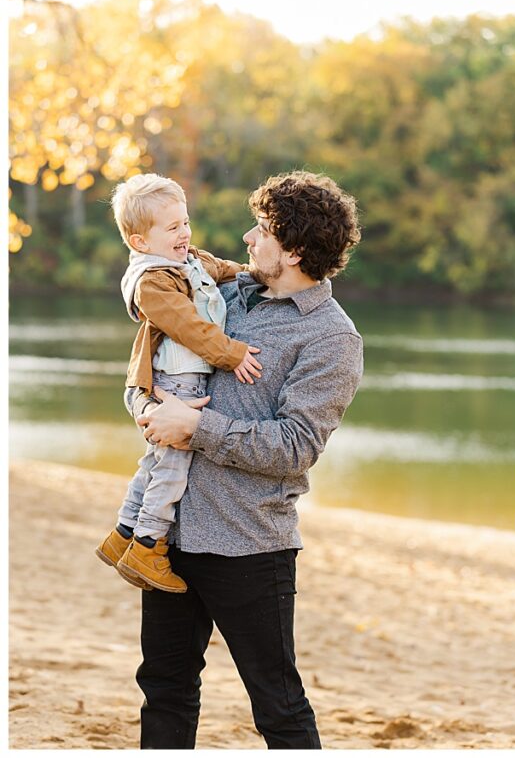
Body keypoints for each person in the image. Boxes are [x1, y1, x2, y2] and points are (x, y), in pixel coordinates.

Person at [129, 170, 363, 749]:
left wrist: (197, 426)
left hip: (249, 545)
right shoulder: (225, 295)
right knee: (164, 688)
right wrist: (146, 405)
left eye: (262, 230)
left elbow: (294, 447)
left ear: (296, 251)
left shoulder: (333, 338)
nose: (247, 238)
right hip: (171, 538)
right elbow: (158, 340)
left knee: (277, 705)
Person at [96, 174, 263, 593]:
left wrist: (260, 275)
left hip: (187, 378)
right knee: (174, 465)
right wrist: (232, 353)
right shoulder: (152, 281)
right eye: (172, 228)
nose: (184, 234)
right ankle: (149, 545)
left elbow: (225, 270)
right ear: (140, 243)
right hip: (177, 381)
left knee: (155, 462)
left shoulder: (187, 260)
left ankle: (124, 532)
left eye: (185, 222)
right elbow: (187, 326)